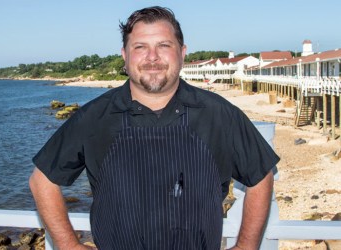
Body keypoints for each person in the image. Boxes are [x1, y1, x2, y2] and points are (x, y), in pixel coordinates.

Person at [29, 6, 279, 250]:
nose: (152, 57)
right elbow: (42, 180)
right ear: (125, 56)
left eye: (164, 45)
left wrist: (246, 245)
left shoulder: (219, 114)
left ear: (182, 53)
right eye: (140, 47)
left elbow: (260, 176)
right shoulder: (94, 116)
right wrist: (67, 243)